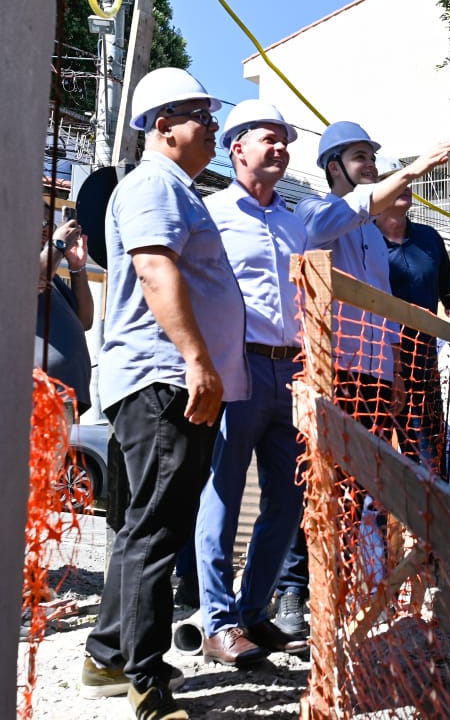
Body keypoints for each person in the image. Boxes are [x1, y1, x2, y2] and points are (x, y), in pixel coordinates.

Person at [80, 67, 249, 720]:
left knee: (141, 526)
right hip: (164, 380)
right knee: (159, 529)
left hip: (158, 378)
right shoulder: (154, 182)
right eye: (200, 115)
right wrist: (198, 362)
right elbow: (154, 268)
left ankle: (106, 655)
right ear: (162, 125)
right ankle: (147, 686)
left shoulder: (170, 186)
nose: (211, 125)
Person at [272, 122, 450, 636]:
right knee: (315, 484)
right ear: (334, 167)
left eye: (373, 155)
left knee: (362, 489)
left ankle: (352, 592)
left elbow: (386, 310)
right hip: (330, 372)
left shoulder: (374, 235)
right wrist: (415, 168)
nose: (371, 163)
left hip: (374, 376)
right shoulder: (313, 211)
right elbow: (340, 219)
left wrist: (394, 368)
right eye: (359, 156)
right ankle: (292, 592)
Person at [194, 100, 308, 668]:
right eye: (271, 138)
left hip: (291, 370)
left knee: (288, 499)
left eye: (286, 140)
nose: (282, 147)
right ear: (236, 147)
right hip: (236, 366)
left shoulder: (295, 222)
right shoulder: (209, 212)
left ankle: (253, 613)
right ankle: (215, 622)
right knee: (224, 491)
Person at [373, 178, 450, 476]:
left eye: (407, 180)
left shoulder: (428, 239)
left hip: (421, 368)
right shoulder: (360, 238)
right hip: (373, 367)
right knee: (370, 464)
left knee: (429, 464)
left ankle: (423, 523)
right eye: (392, 182)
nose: (404, 186)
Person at [35, 202, 93, 417]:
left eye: (50, 224)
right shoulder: (14, 263)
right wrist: (58, 245)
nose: (47, 230)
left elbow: (85, 320)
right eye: (41, 223)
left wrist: (78, 267)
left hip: (63, 396)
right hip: (35, 393)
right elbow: (34, 284)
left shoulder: (54, 278)